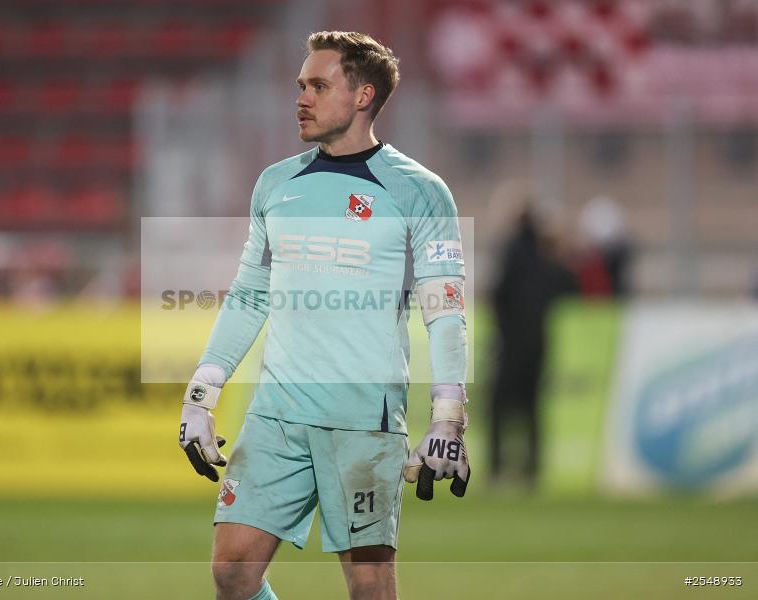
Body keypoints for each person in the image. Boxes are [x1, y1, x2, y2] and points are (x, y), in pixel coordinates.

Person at [178, 31, 470, 600]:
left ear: (363, 95)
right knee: (232, 571)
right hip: (277, 414)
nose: (301, 98)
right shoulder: (276, 184)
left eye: (318, 85)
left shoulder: (421, 192)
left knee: (369, 582)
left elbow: (445, 311)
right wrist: (201, 395)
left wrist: (448, 418)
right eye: (300, 86)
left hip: (363, 419)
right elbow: (249, 294)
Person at [489, 201, 577, 489]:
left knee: (498, 407)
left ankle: (497, 468)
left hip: (510, 343)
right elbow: (569, 286)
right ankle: (532, 470)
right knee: (532, 409)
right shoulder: (545, 258)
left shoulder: (510, 253)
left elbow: (497, 294)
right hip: (538, 344)